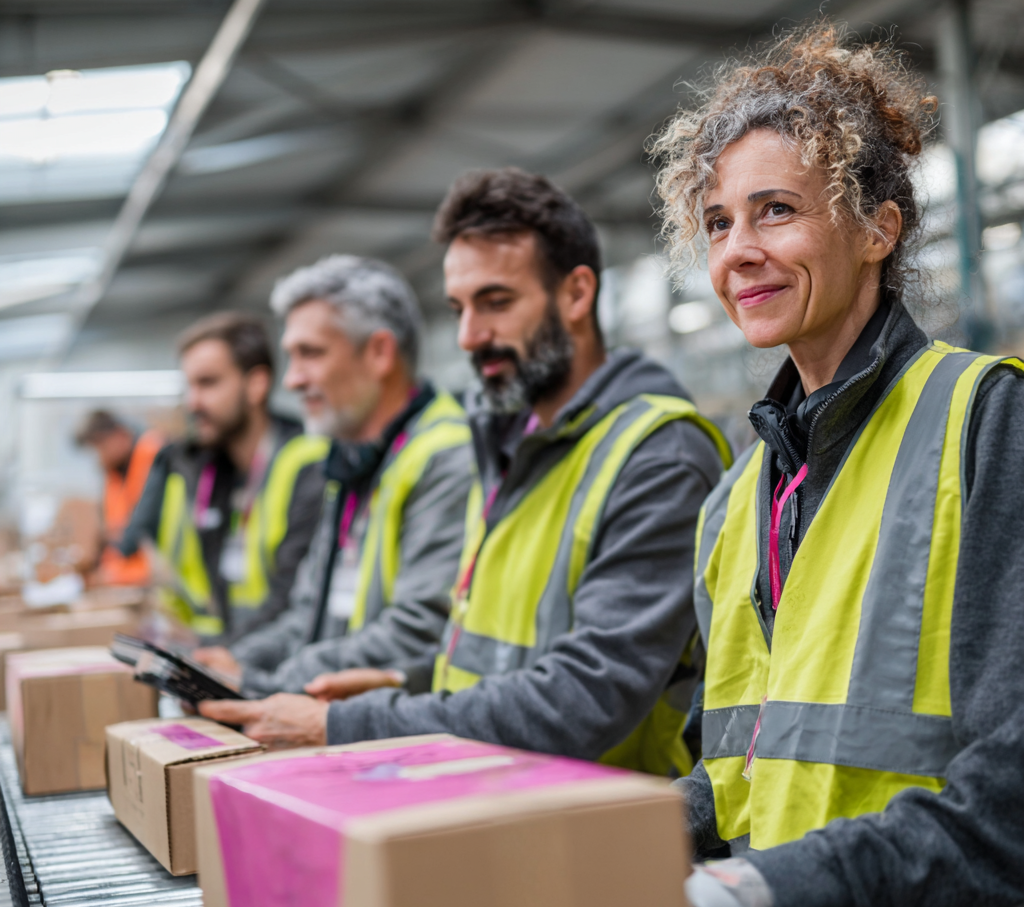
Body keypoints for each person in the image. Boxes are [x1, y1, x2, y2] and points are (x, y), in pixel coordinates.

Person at [651, 24, 1024, 907]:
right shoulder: (738, 499)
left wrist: (767, 882)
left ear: (876, 229)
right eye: (718, 222)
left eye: (774, 211)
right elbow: (742, 770)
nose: (739, 252)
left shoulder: (985, 422)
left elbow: (1012, 791)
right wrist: (607, 830)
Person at [201, 168, 731, 777]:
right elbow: (499, 656)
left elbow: (587, 697)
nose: (469, 336)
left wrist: (352, 724)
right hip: (496, 792)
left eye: (496, 303)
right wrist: (406, 680)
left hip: (594, 814)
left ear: (576, 294)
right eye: (458, 308)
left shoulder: (657, 455)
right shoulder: (512, 449)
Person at [191, 256, 474, 697]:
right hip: (333, 715)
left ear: (379, 353)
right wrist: (236, 661)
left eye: (311, 354)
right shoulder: (351, 463)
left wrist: (267, 685)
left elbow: (418, 631)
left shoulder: (445, 457)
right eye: (291, 357)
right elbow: (305, 617)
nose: (293, 380)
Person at [122, 312, 327, 643]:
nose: (193, 402)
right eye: (189, 386)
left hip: (276, 657)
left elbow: (292, 601)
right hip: (233, 653)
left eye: (208, 383)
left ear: (256, 384)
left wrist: (218, 650)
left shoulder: (309, 464)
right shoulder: (209, 472)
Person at [75, 409, 163, 585]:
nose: (99, 457)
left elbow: (141, 530)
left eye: (101, 447)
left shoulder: (154, 454)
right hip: (126, 574)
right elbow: (110, 529)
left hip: (154, 574)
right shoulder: (115, 471)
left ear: (120, 434)